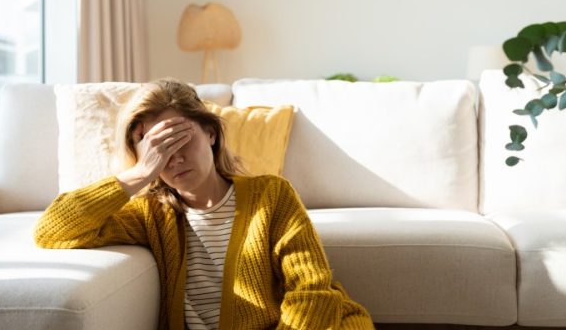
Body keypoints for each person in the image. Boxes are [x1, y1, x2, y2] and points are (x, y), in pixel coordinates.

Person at [33, 78, 374, 330]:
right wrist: (139, 173)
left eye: (180, 139)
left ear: (210, 133)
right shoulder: (150, 215)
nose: (174, 158)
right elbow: (52, 230)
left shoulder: (271, 195)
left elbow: (311, 289)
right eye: (159, 149)